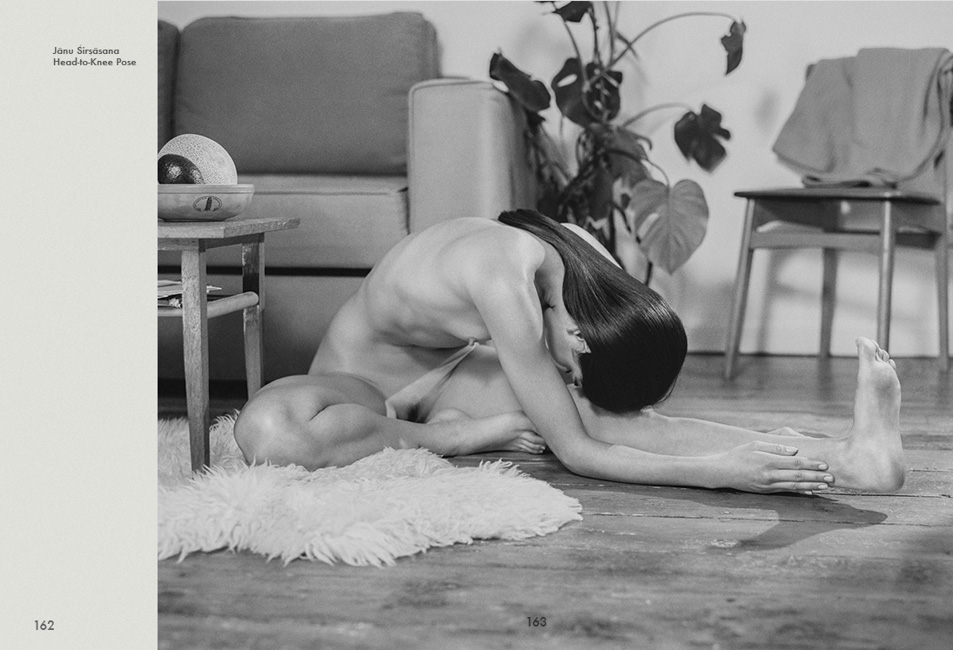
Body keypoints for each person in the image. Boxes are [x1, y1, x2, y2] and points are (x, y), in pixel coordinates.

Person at [234, 210, 905, 494]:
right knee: (270, 431)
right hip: (359, 383)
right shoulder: (507, 284)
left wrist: (729, 457)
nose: (565, 374)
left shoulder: (575, 253)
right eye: (571, 367)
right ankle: (447, 437)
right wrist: (715, 472)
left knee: (598, 417)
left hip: (447, 369)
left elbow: (584, 428)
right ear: (579, 336)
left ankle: (850, 458)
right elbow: (577, 456)